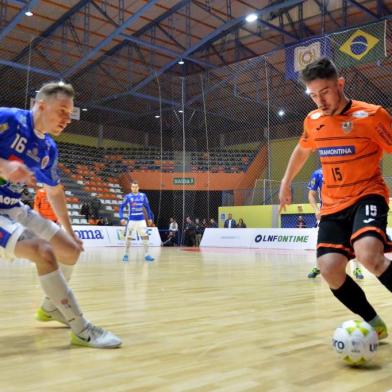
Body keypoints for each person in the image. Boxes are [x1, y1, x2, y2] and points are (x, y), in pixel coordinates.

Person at [0, 81, 121, 348]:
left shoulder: (48, 149)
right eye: (62, 111)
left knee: (70, 251)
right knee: (43, 251)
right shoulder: (7, 119)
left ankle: (52, 307)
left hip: (13, 207)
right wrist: (4, 165)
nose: (67, 119)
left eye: (70, 113)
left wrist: (70, 231)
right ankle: (81, 329)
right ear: (41, 106)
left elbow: (54, 191)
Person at [279, 57, 392, 340]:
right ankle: (374, 322)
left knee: (368, 255)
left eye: (325, 91)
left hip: (368, 194)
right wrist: (286, 181)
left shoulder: (373, 115)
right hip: (333, 205)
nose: (320, 100)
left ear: (340, 84)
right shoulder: (313, 120)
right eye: (313, 94)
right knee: (329, 269)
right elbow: (302, 151)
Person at [307, 168, 364, 279]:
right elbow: (311, 194)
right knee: (322, 242)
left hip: (345, 212)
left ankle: (356, 268)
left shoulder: (346, 169)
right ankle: (319, 267)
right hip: (326, 213)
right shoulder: (318, 174)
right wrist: (316, 209)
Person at [119, 180, 154, 262]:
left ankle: (147, 255)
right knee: (128, 238)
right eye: (133, 187)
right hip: (131, 221)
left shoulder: (143, 195)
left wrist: (149, 218)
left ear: (138, 188)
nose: (134, 188)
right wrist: (121, 218)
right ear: (131, 188)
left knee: (145, 237)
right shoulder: (127, 197)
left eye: (136, 187)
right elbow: (121, 207)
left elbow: (148, 207)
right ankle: (126, 254)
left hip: (141, 221)